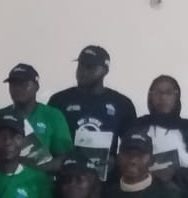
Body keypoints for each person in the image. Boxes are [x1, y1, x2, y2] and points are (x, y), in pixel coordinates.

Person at [46, 45, 137, 180]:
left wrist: (116, 161)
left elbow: (132, 145)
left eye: (90, 67)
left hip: (106, 181)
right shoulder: (59, 100)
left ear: (105, 70)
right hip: (67, 181)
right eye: (80, 65)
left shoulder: (122, 104)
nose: (83, 71)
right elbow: (47, 141)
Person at [0, 63, 72, 174]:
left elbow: (64, 157)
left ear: (37, 87)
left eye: (23, 84)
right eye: (13, 84)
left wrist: (34, 168)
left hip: (41, 181)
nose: (17, 88)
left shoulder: (53, 116)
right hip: (4, 180)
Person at [133, 75, 188, 183]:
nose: (163, 97)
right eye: (158, 92)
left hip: (182, 189)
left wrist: (175, 173)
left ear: (177, 96)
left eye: (169, 92)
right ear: (150, 96)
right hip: (143, 188)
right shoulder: (138, 125)